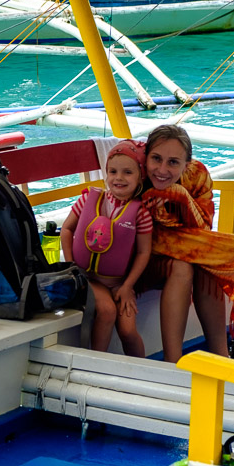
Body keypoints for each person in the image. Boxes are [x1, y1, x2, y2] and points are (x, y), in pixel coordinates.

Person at [140, 125, 234, 363]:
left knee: (202, 264)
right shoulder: (136, 173)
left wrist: (181, 196)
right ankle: (173, 361)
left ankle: (221, 356)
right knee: (193, 261)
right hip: (142, 253)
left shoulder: (196, 175)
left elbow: (203, 228)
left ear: (187, 164)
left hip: (183, 246)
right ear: (145, 156)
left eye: (173, 162)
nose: (162, 169)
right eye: (156, 159)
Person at [60, 140, 153, 357]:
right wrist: (72, 265)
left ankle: (143, 372)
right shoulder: (88, 200)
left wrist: (128, 286)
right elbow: (67, 229)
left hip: (119, 283)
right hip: (88, 278)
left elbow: (143, 252)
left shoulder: (141, 214)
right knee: (108, 310)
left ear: (141, 177)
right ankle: (97, 366)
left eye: (127, 172)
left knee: (128, 331)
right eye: (113, 171)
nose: (118, 178)